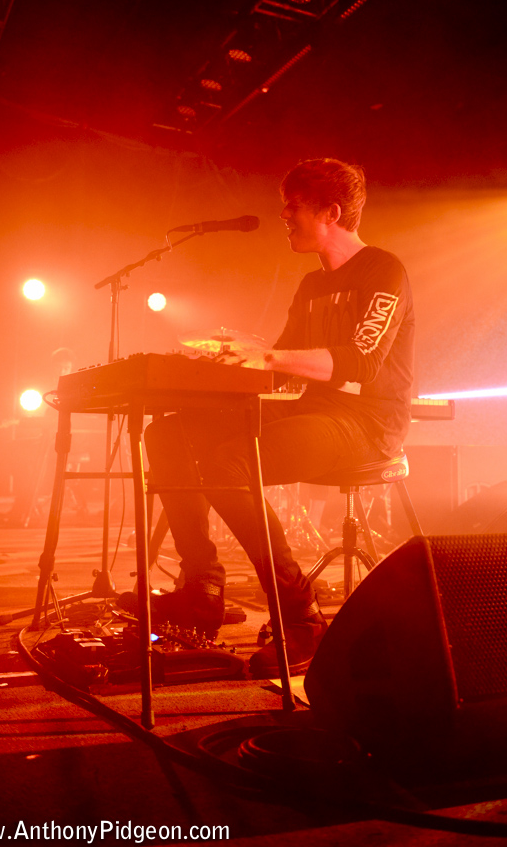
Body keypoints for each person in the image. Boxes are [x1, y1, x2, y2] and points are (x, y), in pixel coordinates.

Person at [139, 158, 414, 677]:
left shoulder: (384, 271)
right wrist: (225, 364)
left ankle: (301, 616)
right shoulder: (310, 286)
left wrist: (265, 357)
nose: (284, 215)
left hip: (366, 425)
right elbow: (281, 371)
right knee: (168, 433)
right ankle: (202, 589)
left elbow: (360, 361)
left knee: (229, 464)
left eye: (294, 206)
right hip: (314, 414)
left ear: (331, 212)